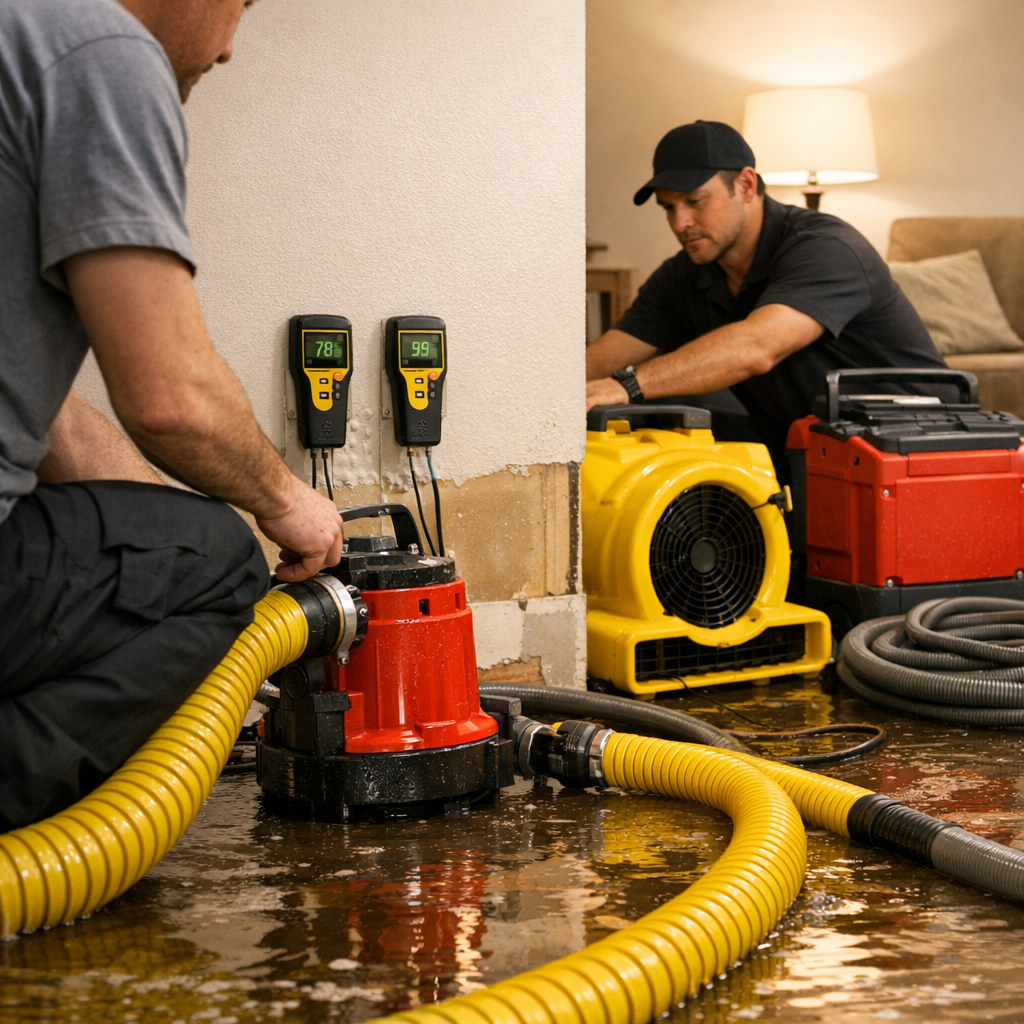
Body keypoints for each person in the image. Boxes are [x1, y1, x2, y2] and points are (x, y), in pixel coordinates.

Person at [0, 0, 345, 830]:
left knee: (188, 543)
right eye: (245, 6)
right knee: (221, 560)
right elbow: (171, 399)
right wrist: (287, 503)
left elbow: (45, 417)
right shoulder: (100, 51)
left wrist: (169, 525)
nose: (230, 49)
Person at [585, 120, 947, 476]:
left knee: (652, 394)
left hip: (919, 450)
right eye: (668, 207)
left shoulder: (826, 247)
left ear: (745, 185)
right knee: (660, 418)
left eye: (694, 201)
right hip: (810, 451)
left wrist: (627, 385)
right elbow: (603, 359)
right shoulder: (684, 274)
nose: (680, 223)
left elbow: (756, 347)